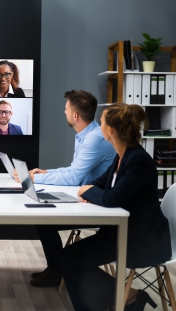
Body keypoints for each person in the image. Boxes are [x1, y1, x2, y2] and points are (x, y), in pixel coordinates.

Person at [61, 103, 171, 311]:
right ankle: (125, 300)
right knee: (67, 257)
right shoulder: (123, 156)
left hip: (142, 240)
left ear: (110, 131)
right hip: (122, 232)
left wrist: (87, 192)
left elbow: (111, 197)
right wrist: (88, 189)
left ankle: (128, 298)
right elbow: (102, 184)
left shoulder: (138, 161)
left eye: (101, 121)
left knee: (70, 260)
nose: (98, 125)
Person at [16, 90, 116, 287]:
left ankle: (56, 271)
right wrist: (44, 173)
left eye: (66, 109)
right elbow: (73, 170)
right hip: (85, 197)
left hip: (95, 203)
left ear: (75, 116)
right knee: (41, 219)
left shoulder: (94, 139)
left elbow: (73, 177)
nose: (64, 112)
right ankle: (55, 268)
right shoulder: (85, 135)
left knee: (43, 221)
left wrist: (34, 178)